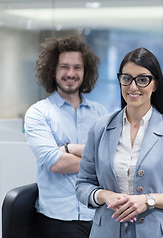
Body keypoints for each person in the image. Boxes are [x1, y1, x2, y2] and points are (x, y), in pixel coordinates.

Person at [75, 47, 163, 238]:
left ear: (155, 85)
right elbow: (83, 185)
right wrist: (105, 195)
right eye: (127, 78)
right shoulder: (99, 128)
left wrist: (149, 200)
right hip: (107, 232)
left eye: (142, 80)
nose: (133, 87)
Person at [24, 34, 108, 238]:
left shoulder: (101, 113)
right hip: (58, 220)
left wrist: (69, 148)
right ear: (52, 70)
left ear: (85, 71)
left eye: (77, 67)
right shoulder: (38, 113)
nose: (71, 73)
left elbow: (112, 160)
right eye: (64, 66)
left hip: (98, 216)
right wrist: (95, 157)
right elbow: (55, 163)